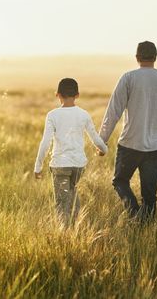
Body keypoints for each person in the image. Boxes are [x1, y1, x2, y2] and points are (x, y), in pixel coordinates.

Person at [99, 41, 157, 222]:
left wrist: (102, 139)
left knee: (120, 181)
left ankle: (134, 215)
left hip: (130, 144)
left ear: (137, 58)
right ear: (155, 57)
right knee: (150, 196)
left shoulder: (128, 78)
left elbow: (113, 111)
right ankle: (144, 227)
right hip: (155, 147)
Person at [34, 78, 108, 227]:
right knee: (71, 192)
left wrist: (38, 167)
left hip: (60, 165)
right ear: (77, 95)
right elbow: (95, 137)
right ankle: (76, 225)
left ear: (57, 94)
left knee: (62, 203)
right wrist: (104, 149)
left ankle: (66, 234)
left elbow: (45, 143)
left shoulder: (53, 115)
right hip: (78, 166)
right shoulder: (83, 114)